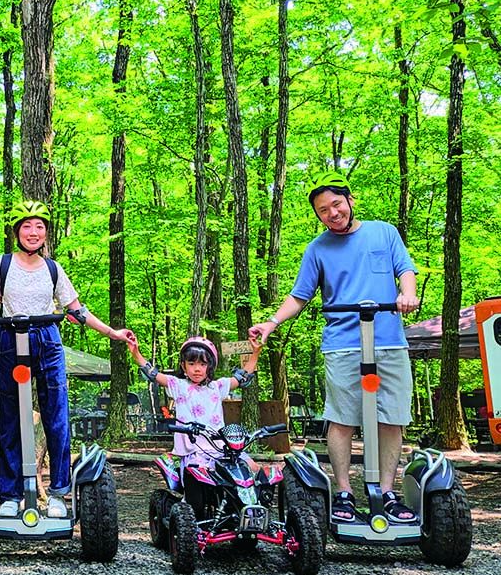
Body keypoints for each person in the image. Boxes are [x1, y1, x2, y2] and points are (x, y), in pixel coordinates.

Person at [248, 171, 419, 524]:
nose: (332, 213)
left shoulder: (383, 232)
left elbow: (405, 269)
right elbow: (300, 295)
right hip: (342, 343)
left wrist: (407, 294)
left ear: (350, 200)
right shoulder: (318, 249)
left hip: (387, 339)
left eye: (336, 204)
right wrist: (271, 322)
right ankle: (343, 491)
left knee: (391, 417)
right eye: (324, 210)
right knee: (341, 419)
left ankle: (387, 491)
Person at [0, 200, 135, 518]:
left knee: (56, 417)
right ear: (16, 232)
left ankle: (57, 492)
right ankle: (9, 495)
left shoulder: (53, 269)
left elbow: (76, 309)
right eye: (27, 226)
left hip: (48, 338)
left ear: (46, 233)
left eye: (39, 226)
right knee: (11, 416)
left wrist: (112, 333)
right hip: (10, 336)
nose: (33, 232)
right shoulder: (1, 264)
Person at [127, 335, 261, 471]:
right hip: (193, 452)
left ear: (210, 366)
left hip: (221, 449)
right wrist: (136, 353)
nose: (197, 369)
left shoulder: (217, 387)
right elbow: (153, 374)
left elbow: (242, 377)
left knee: (253, 468)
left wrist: (256, 352)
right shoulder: (178, 385)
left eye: (203, 364)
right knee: (199, 480)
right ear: (183, 366)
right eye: (191, 364)